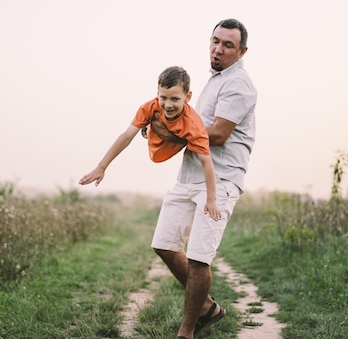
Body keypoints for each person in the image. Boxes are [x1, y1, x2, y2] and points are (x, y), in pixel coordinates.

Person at [149, 18, 257, 339]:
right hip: (189, 176)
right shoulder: (214, 81)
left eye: (228, 45)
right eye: (215, 41)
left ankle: (186, 332)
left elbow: (220, 134)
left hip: (220, 181)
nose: (218, 49)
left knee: (198, 258)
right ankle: (208, 307)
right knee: (164, 244)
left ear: (242, 51)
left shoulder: (239, 84)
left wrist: (169, 132)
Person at [79, 66, 222, 221]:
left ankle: (158, 130)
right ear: (157, 93)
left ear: (188, 97)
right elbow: (126, 136)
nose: (168, 104)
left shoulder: (194, 126)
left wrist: (211, 200)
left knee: (189, 138)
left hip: (175, 143)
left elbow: (206, 162)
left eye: (175, 99)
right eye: (163, 97)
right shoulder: (149, 107)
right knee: (151, 119)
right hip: (155, 139)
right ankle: (149, 127)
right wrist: (101, 167)